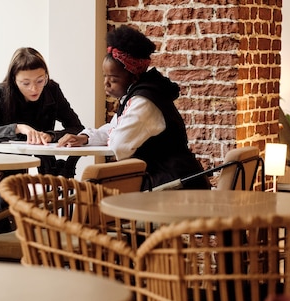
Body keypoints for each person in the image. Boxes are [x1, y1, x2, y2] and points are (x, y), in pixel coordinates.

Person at [57, 25, 209, 190]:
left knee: (97, 196)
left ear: (134, 76)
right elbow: (115, 128)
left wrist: (115, 132)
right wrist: (85, 137)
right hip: (167, 178)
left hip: (175, 183)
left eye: (113, 79)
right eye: (105, 76)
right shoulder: (138, 95)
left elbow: (119, 144)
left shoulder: (144, 102)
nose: (106, 83)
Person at [0, 47, 84, 238]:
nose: (34, 88)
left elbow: (77, 127)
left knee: (2, 203)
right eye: (26, 83)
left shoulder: (52, 91)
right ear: (14, 80)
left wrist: (50, 135)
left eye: (40, 81)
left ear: (46, 76)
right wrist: (16, 128)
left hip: (34, 168)